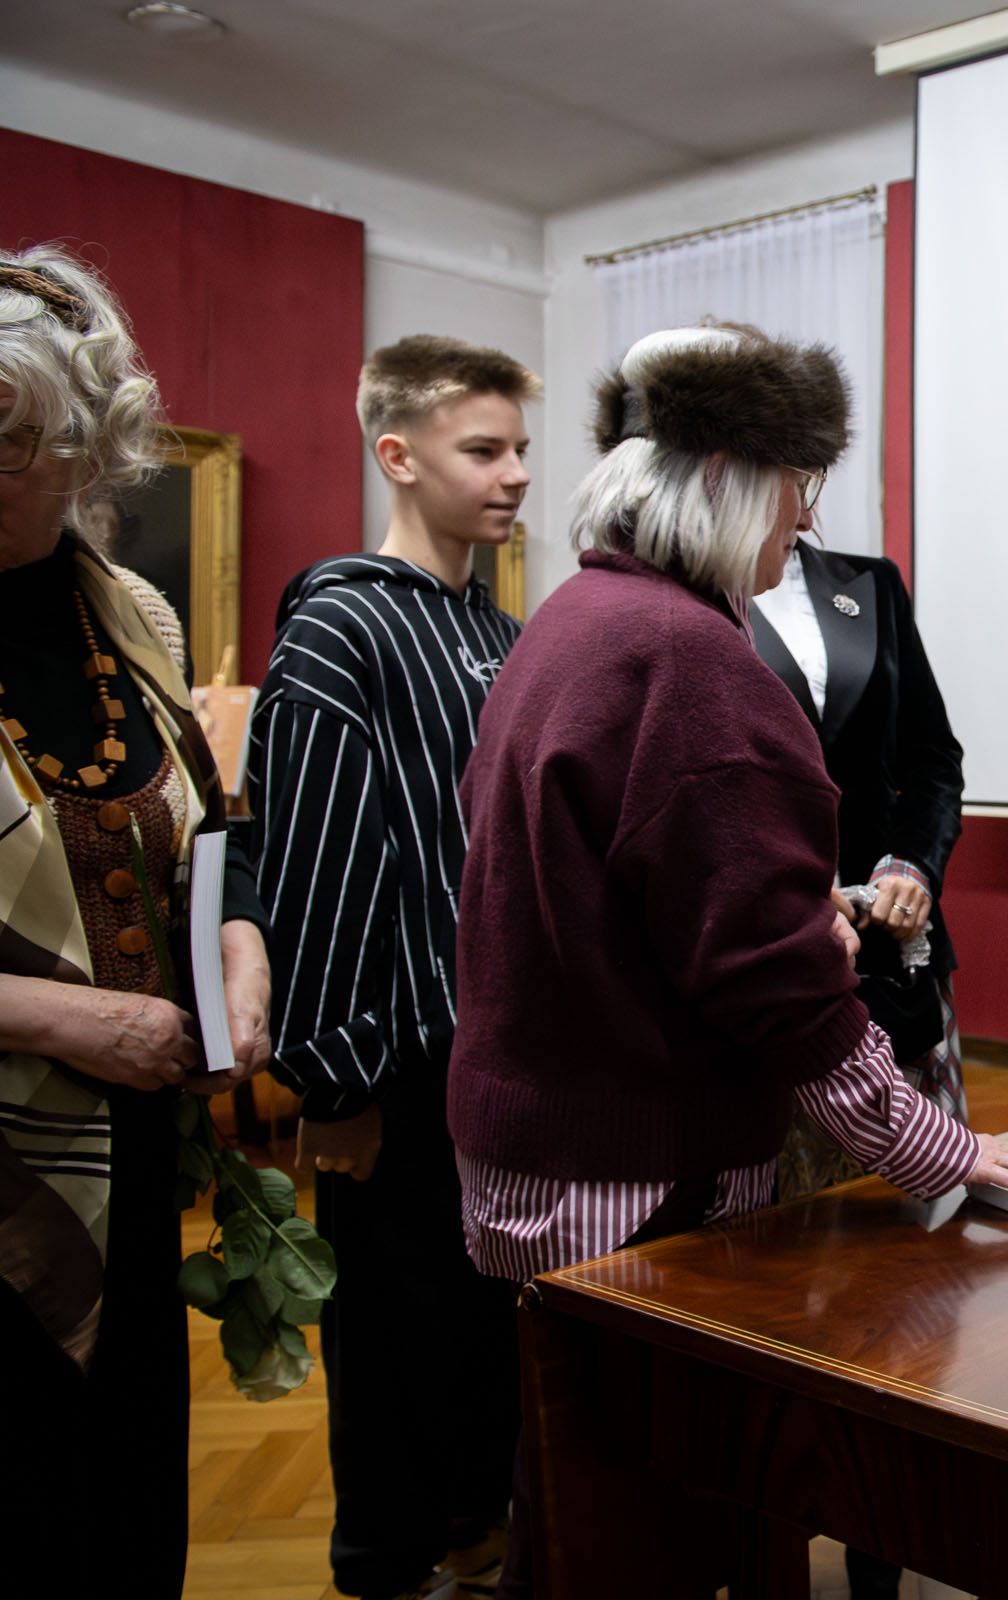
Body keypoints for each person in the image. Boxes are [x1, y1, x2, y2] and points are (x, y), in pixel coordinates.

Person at [446, 322, 1008, 1599]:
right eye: (799, 486)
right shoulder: (690, 657)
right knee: (659, 1531)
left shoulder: (573, 615)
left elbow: (610, 890)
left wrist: (786, 915)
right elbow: (773, 990)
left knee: (568, 1498)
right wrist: (940, 1147)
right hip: (637, 1166)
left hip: (538, 1150)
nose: (808, 520)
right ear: (730, 476)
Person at [246, 335, 541, 1600]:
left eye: (521, 447)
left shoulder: (506, 632)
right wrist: (334, 1082)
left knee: (483, 1332)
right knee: (389, 1337)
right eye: (484, 449)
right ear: (398, 454)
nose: (515, 473)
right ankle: (383, 1566)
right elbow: (314, 863)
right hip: (396, 1068)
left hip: (502, 1061)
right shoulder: (342, 624)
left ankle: (478, 1535)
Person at [0, 245, 274, 1596]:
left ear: (83, 446)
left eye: (12, 440)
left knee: (123, 1515)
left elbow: (218, 832)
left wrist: (241, 945)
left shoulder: (134, 616)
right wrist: (60, 1016)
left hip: (134, 1150)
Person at [747, 452, 969, 1600]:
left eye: (811, 463)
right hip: (768, 1000)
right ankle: (772, 1546)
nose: (802, 485)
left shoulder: (868, 585)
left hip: (899, 979)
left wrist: (914, 864)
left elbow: (934, 763)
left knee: (907, 1284)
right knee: (783, 1293)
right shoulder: (687, 603)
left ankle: (884, 1550)